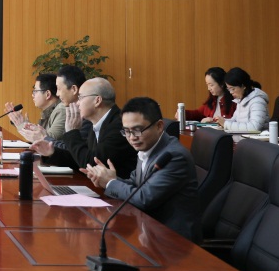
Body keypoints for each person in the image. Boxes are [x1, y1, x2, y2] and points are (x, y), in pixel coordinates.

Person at [81, 96, 200, 241]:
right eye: (126, 131)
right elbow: (135, 184)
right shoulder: (148, 147)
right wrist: (106, 178)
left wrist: (111, 183)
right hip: (150, 231)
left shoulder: (173, 156)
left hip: (173, 240)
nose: (132, 137)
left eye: (137, 130)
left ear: (159, 126)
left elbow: (144, 198)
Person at [31, 76, 137, 178]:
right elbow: (80, 158)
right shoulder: (95, 122)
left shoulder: (119, 126)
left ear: (97, 100)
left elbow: (91, 164)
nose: (77, 103)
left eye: (81, 98)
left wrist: (72, 132)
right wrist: (52, 152)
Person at [4, 73, 66, 143]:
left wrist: (24, 126)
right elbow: (41, 138)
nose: (32, 95)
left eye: (35, 91)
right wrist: (23, 125)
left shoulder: (61, 110)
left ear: (48, 94)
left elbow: (50, 141)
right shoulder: (49, 111)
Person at [216, 67, 269, 132]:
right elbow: (235, 121)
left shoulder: (257, 102)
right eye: (229, 89)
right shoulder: (241, 100)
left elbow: (255, 127)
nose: (231, 92)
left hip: (258, 138)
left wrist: (225, 124)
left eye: (233, 89)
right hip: (244, 137)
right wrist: (220, 121)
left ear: (243, 86)